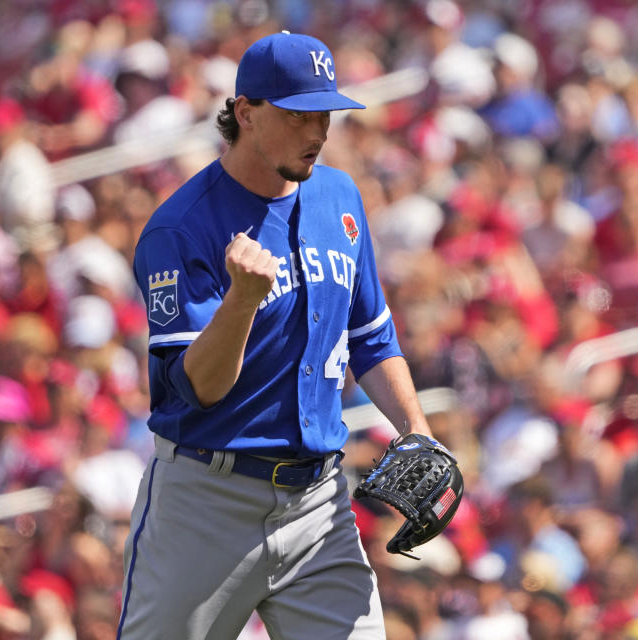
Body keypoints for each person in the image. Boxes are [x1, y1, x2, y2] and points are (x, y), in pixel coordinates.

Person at [117, 31, 435, 640]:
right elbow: (199, 389)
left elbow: (371, 334)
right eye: (298, 116)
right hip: (207, 502)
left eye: (326, 115)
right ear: (246, 113)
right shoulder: (180, 229)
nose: (317, 132)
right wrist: (241, 301)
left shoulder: (338, 194)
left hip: (319, 503)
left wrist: (416, 429)